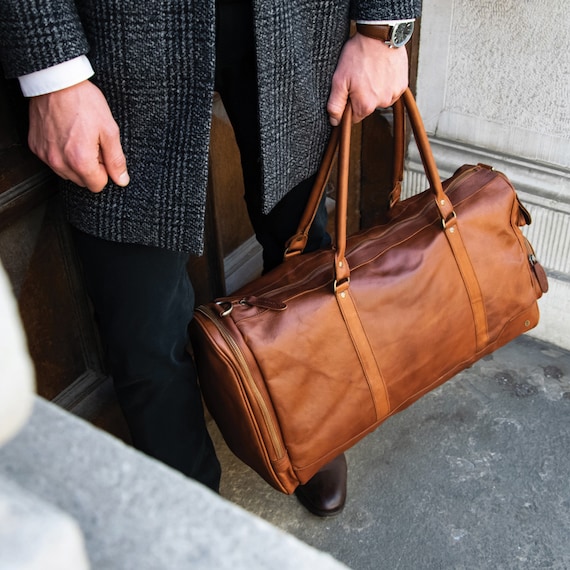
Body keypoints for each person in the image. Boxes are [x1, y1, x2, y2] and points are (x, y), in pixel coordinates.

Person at [0, 0, 421, 516]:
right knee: (142, 324)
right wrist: (53, 71)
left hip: (294, 20)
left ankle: (312, 427)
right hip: (112, 41)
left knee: (305, 254)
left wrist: (386, 28)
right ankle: (195, 518)